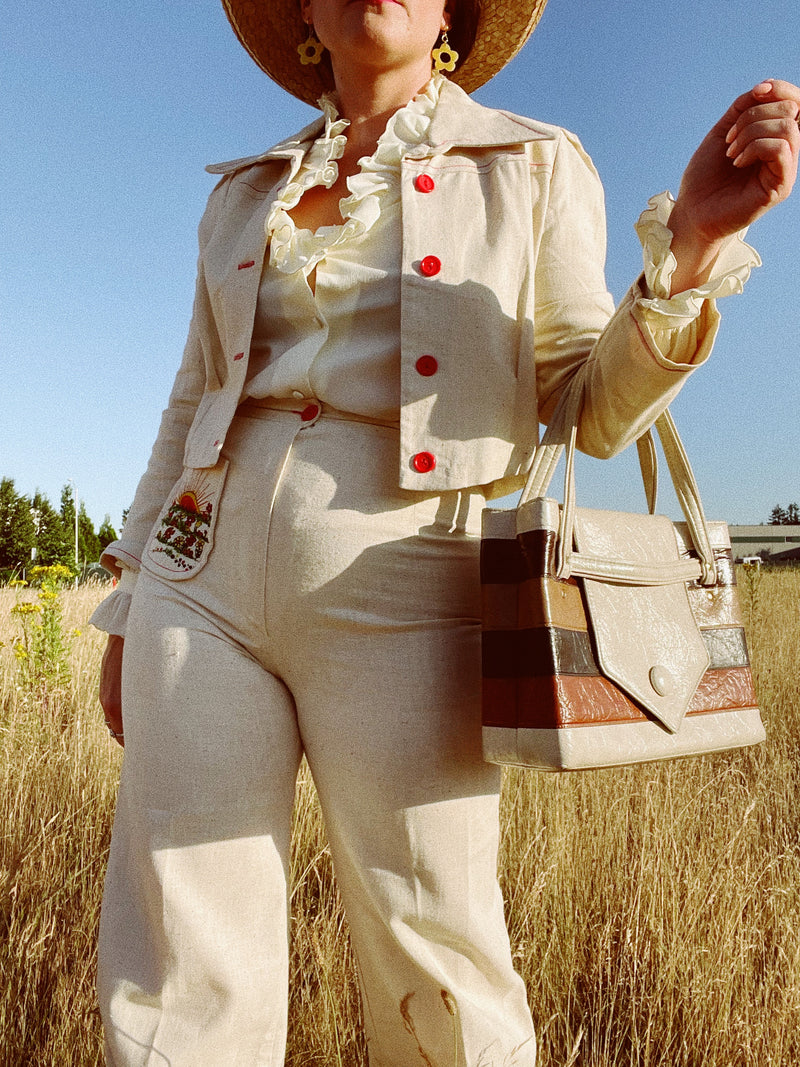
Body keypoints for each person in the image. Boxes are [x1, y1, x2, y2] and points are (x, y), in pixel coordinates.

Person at [91, 0, 800, 1063]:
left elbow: (588, 408)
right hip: (199, 575)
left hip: (411, 580)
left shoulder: (533, 162)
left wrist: (691, 250)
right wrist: (130, 591)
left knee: (435, 950)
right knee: (176, 959)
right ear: (303, 23)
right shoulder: (243, 191)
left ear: (452, 19)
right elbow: (191, 397)